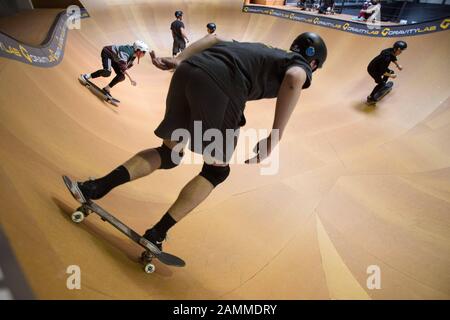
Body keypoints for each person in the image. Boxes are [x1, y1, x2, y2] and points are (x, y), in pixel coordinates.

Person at [68, 32, 327, 251]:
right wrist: (274, 137)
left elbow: (214, 38)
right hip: (223, 84)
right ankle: (157, 234)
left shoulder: (264, 50)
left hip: (188, 70)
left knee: (169, 154)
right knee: (216, 171)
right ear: (314, 64)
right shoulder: (300, 65)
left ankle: (95, 188)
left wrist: (179, 59)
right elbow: (294, 79)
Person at [79, 40, 149, 97]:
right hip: (108, 53)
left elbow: (124, 67)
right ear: (138, 50)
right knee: (107, 72)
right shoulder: (127, 51)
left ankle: (107, 89)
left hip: (115, 59)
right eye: (144, 52)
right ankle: (86, 76)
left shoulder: (133, 56)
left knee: (121, 76)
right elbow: (123, 66)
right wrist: (131, 79)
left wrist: (128, 66)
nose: (144, 54)